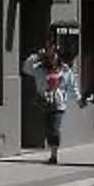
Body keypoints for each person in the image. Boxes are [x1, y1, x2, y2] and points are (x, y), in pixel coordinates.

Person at [22, 35, 75, 165]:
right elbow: (25, 68)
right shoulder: (39, 68)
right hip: (44, 102)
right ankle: (52, 150)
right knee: (48, 129)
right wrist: (36, 56)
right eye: (49, 54)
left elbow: (72, 86)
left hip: (58, 103)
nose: (52, 57)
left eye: (54, 54)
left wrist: (79, 99)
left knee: (54, 129)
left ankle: (54, 155)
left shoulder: (65, 70)